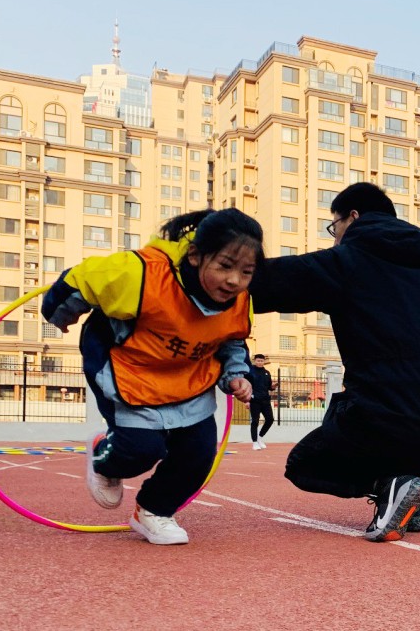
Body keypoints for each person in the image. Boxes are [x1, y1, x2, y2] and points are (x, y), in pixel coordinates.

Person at [247, 183, 420, 542]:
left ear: (352, 217)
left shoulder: (344, 263)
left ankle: (392, 487)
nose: (334, 234)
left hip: (382, 417)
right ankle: (407, 500)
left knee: (305, 463)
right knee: (391, 435)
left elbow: (258, 282)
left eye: (334, 225)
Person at [42, 209, 260, 545]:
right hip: (132, 372)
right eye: (225, 266)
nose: (234, 280)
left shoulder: (239, 301)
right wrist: (59, 315)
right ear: (195, 256)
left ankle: (155, 511)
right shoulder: (141, 274)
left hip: (190, 380)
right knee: (140, 450)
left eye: (246, 271)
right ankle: (106, 460)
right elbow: (80, 279)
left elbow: (232, 340)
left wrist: (235, 376)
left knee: (198, 455)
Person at [245, 354, 278, 450]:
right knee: (255, 421)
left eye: (261, 361)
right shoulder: (249, 372)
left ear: (264, 361)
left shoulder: (267, 373)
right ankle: (254, 442)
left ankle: (260, 437)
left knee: (270, 419)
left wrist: (273, 386)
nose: (260, 362)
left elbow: (269, 387)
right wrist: (247, 401)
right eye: (258, 361)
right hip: (254, 400)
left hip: (265, 400)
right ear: (254, 361)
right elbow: (246, 386)